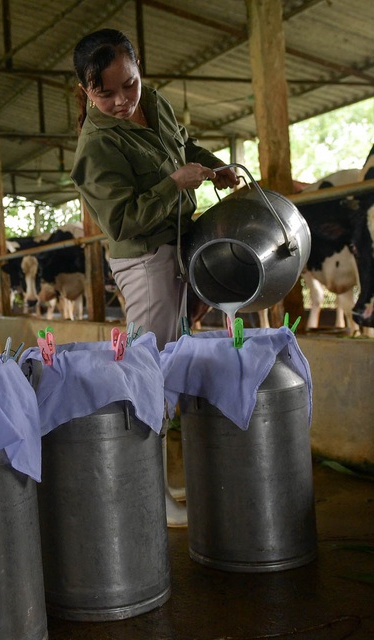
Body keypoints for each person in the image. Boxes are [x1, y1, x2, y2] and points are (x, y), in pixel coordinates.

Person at [70, 28, 239, 527]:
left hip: (180, 245)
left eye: (130, 84)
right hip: (145, 260)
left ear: (140, 70)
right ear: (85, 90)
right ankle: (150, 493)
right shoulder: (95, 148)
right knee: (153, 371)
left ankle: (166, 477)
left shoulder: (156, 102)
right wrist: (173, 184)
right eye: (105, 92)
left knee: (174, 359)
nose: (122, 101)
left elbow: (183, 143)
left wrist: (214, 167)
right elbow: (121, 221)